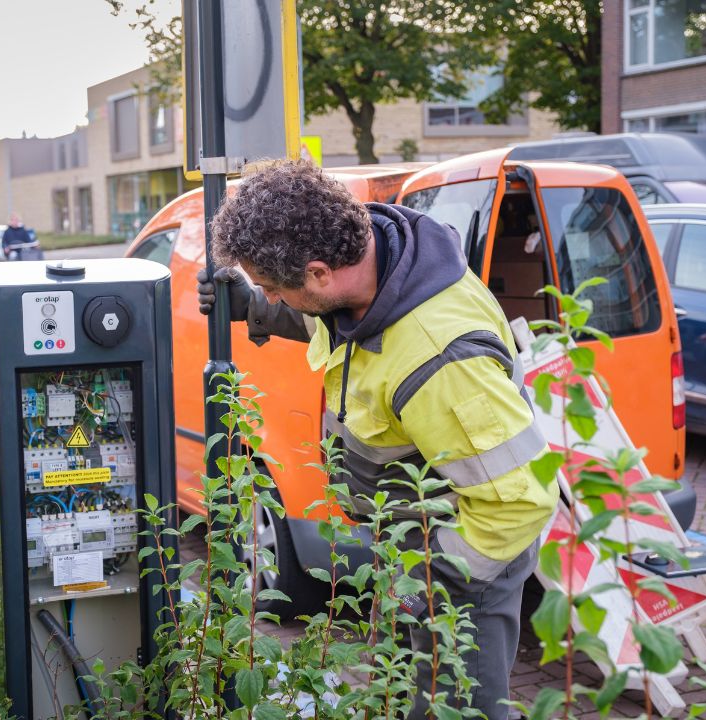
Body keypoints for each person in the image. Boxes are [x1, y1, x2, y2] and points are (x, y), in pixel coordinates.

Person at [197, 160, 558, 719]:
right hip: (413, 540)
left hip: (467, 560)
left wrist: (427, 581)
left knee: (456, 708)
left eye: (272, 287)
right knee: (406, 693)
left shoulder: (441, 357)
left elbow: (519, 500)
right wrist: (257, 307)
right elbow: (330, 320)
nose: (273, 295)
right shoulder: (378, 266)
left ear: (318, 272)